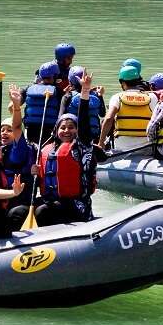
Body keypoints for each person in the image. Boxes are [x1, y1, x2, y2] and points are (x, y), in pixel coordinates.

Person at [36, 69, 108, 225]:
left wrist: (85, 91)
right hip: (53, 202)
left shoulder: (81, 146)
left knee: (43, 211)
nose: (66, 131)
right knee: (25, 209)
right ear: (56, 131)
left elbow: (83, 121)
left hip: (77, 205)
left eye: (71, 127)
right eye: (62, 127)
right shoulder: (46, 150)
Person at [0, 84, 39, 230]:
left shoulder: (19, 149)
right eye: (2, 130)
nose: (4, 133)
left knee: (13, 214)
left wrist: (16, 106)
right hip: (3, 198)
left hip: (18, 201)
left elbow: (16, 127)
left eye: (8, 130)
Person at [98, 65, 158, 151]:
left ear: (123, 83)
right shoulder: (152, 97)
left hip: (122, 147)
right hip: (146, 146)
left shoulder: (117, 97)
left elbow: (108, 119)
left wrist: (101, 142)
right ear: (138, 81)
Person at [58, 66, 106, 143]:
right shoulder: (96, 95)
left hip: (74, 137)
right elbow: (102, 114)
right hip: (94, 137)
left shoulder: (68, 96)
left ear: (70, 82)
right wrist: (100, 96)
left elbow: (61, 118)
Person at [21, 61, 62, 143]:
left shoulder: (29, 88)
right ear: (55, 76)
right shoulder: (58, 91)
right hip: (50, 130)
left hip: (29, 130)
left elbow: (14, 105)